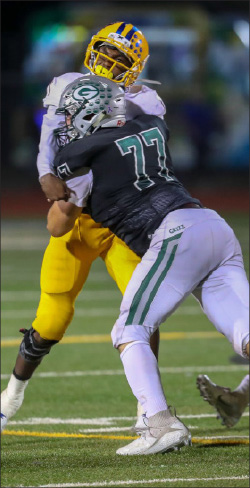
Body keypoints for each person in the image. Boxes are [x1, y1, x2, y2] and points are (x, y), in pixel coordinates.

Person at [47, 76, 249, 455]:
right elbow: (148, 113)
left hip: (173, 234)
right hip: (213, 226)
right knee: (246, 335)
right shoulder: (148, 127)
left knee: (129, 329)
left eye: (72, 114)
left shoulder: (84, 159)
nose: (68, 122)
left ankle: (159, 423)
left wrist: (57, 184)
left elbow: (57, 226)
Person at [1, 22, 165, 432]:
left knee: (143, 313)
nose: (107, 64)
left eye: (118, 60)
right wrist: (51, 179)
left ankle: (150, 409)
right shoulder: (67, 85)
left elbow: (145, 140)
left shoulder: (146, 101)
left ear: (134, 69)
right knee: (50, 322)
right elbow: (49, 142)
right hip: (78, 215)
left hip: (123, 217)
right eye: (104, 53)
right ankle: (11, 396)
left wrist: (113, 120)